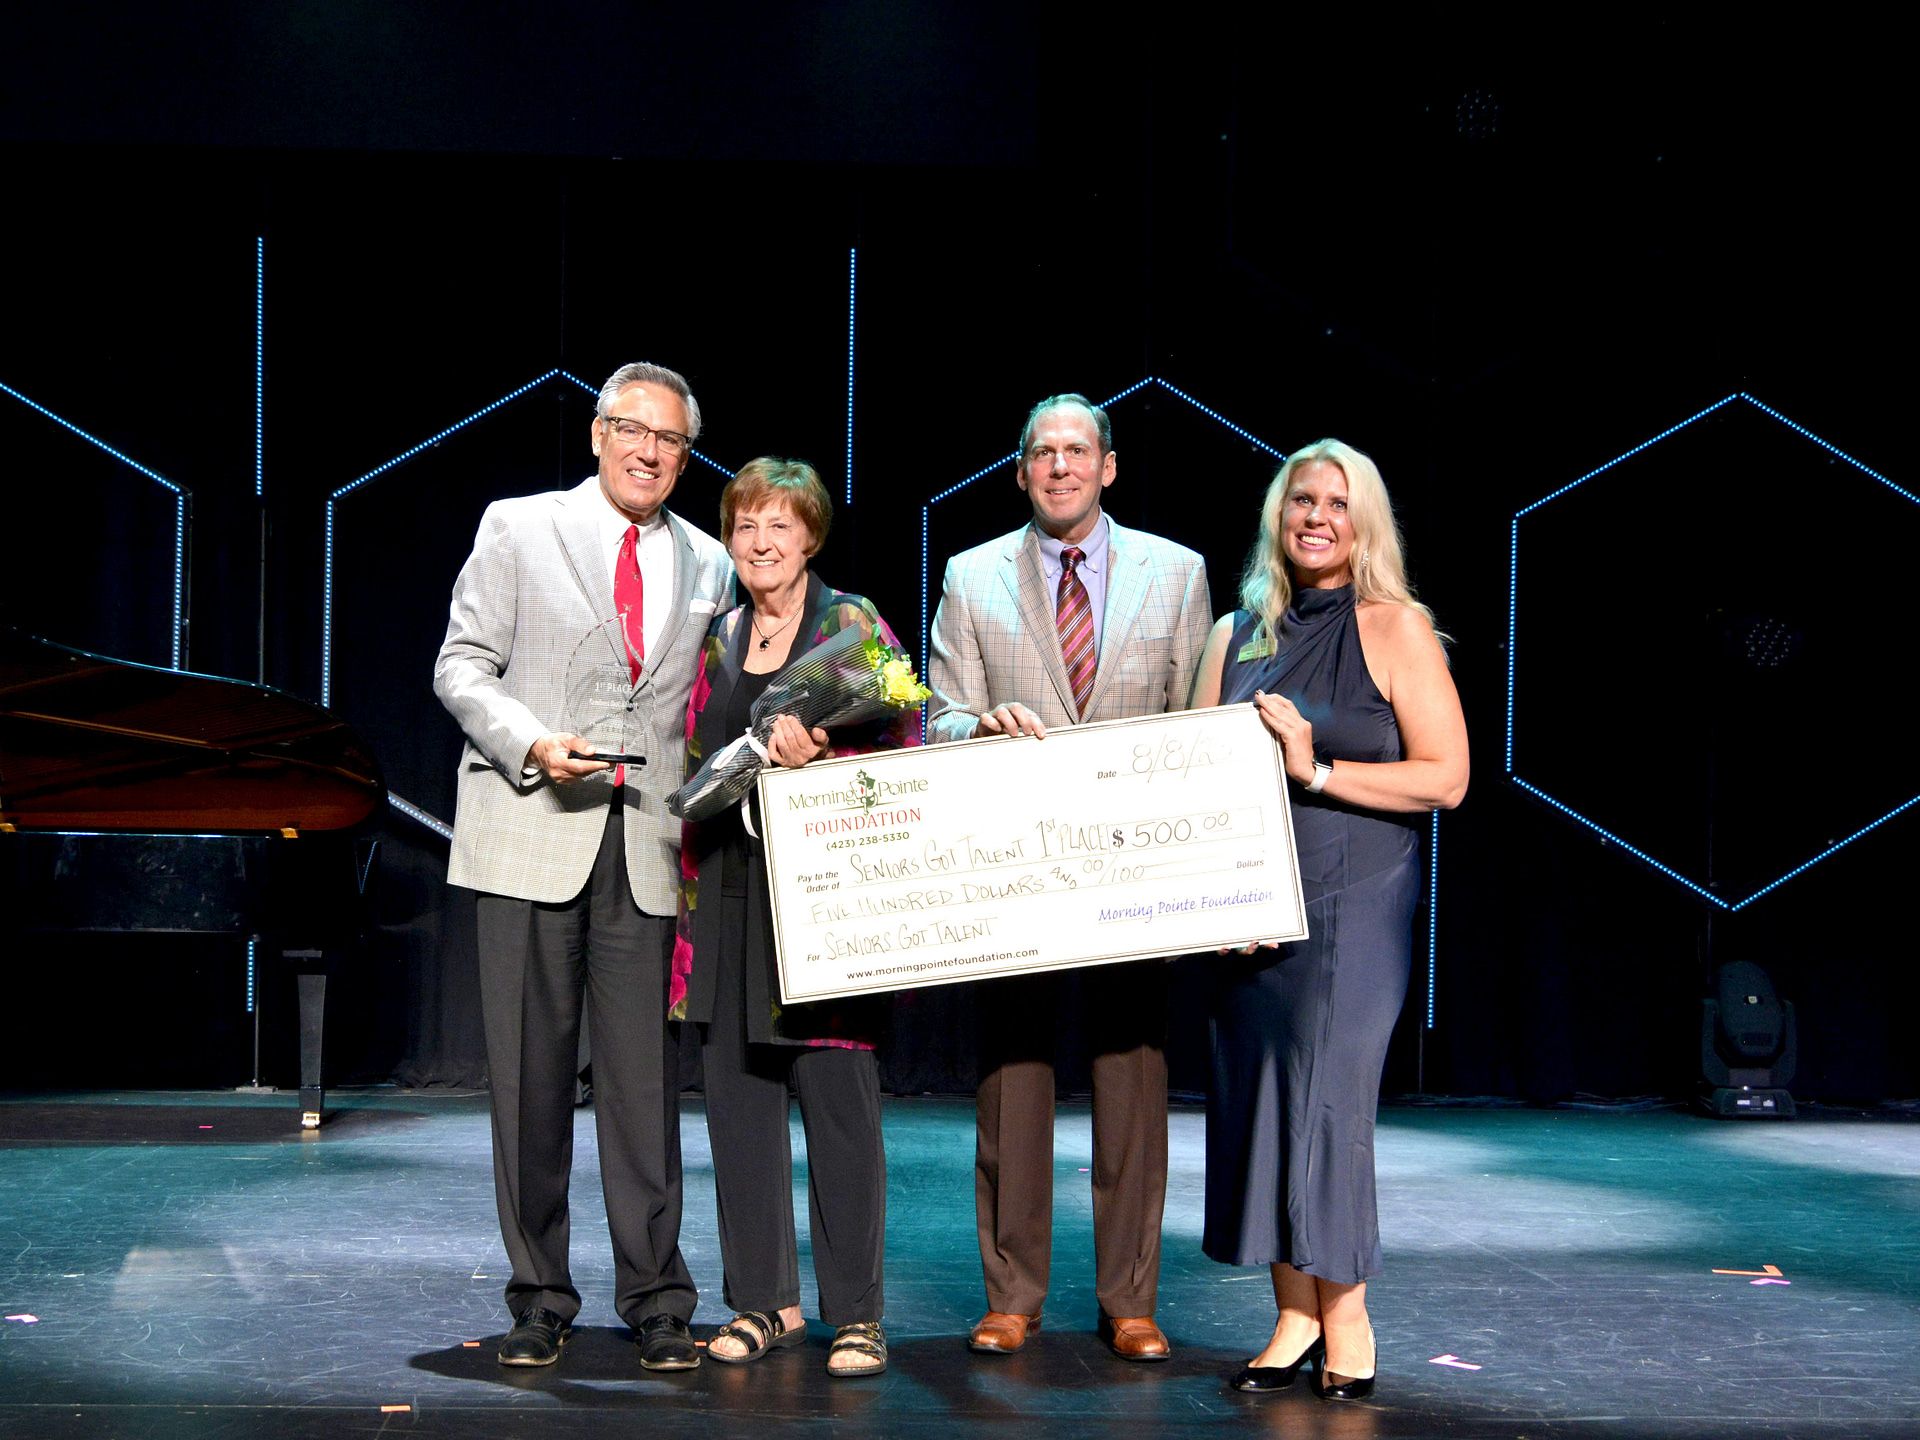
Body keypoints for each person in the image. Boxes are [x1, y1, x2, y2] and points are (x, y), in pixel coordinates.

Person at [433, 361, 733, 1372]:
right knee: (528, 1084)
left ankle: (656, 1298)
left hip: (647, 848)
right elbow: (461, 664)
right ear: (600, 434)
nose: (651, 452)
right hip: (530, 832)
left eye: (673, 442)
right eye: (634, 432)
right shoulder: (518, 527)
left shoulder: (708, 561)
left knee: (645, 1090)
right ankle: (539, 1295)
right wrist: (528, 741)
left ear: (687, 457)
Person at [927, 394, 1212, 1361]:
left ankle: (1130, 1298)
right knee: (1015, 1077)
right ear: (1020, 474)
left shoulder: (1177, 573)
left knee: (1132, 1078)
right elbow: (938, 718)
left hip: (1135, 863)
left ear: (1108, 467)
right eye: (1041, 453)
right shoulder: (970, 577)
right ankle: (1012, 1294)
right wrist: (982, 724)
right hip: (1015, 865)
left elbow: (1197, 726)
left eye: (1076, 451)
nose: (1059, 467)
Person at [1189, 438, 1468, 1400]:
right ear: (1278, 514)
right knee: (1260, 1101)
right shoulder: (1236, 634)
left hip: (1354, 903)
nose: (1316, 516)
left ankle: (1347, 1321)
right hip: (1251, 911)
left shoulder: (1395, 628)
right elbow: (1197, 773)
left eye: (1338, 503)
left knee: (1327, 1104)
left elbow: (1447, 778)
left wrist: (1315, 769)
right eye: (1301, 499)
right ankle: (1291, 1317)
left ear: (1365, 524)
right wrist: (1217, 891)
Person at [673, 458, 917, 1379]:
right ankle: (764, 1302)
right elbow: (697, 753)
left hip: (824, 899)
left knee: (838, 1108)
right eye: (745, 528)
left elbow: (906, 737)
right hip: (728, 893)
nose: (761, 543)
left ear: (810, 536)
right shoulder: (717, 636)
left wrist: (824, 753)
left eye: (780, 526)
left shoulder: (849, 624)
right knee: (738, 1103)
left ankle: (856, 1313)